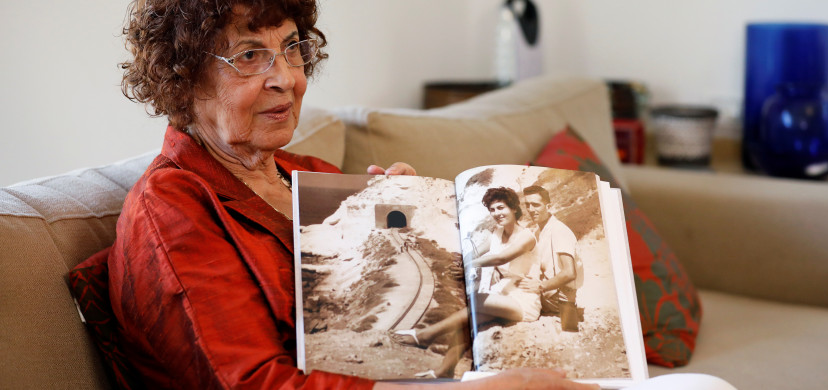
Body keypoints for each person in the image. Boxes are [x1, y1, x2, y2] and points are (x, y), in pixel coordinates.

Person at [104, 0, 595, 389]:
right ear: (184, 77)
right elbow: (250, 382)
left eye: (292, 48)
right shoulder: (172, 208)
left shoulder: (313, 176)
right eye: (250, 55)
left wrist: (423, 218)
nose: (286, 78)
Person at [391, 187, 542, 378]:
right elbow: (476, 252)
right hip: (503, 294)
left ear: (513, 208)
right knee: (469, 319)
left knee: (475, 300)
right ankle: (443, 371)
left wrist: (468, 266)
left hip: (523, 298)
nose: (497, 213)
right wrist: (459, 262)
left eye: (501, 208)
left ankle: (424, 336)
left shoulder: (527, 237)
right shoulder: (497, 232)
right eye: (492, 209)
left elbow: (500, 258)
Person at [522, 185, 580, 316]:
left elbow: (570, 273)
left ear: (548, 207)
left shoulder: (559, 230)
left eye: (536, 205)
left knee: (507, 297)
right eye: (527, 205)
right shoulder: (538, 231)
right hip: (549, 292)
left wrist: (539, 286)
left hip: (561, 299)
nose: (530, 210)